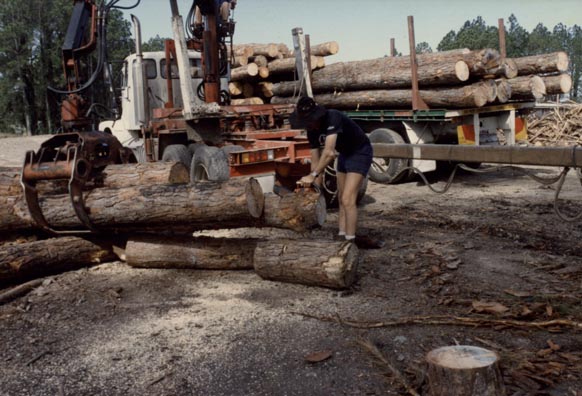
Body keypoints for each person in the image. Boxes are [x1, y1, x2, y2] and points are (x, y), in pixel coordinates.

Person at [290, 96, 379, 248]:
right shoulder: (311, 131)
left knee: (348, 199)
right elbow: (315, 160)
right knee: (341, 200)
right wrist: (314, 189)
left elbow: (329, 152)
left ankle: (350, 243)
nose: (308, 126)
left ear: (316, 116)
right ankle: (342, 236)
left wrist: (313, 175)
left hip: (360, 151)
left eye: (309, 122)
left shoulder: (333, 117)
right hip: (344, 154)